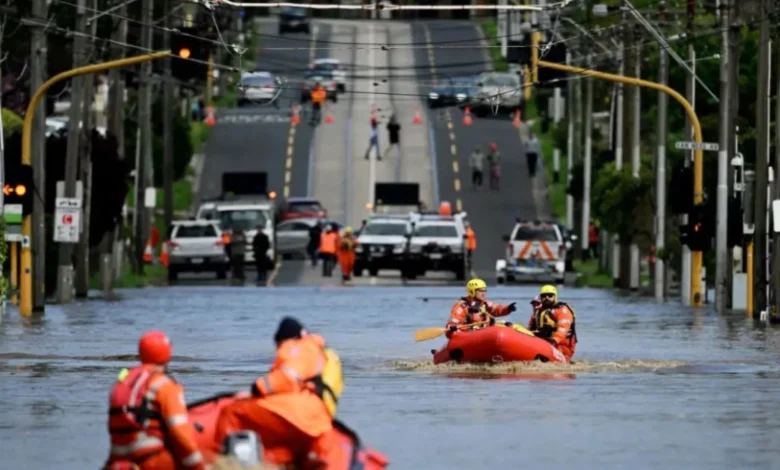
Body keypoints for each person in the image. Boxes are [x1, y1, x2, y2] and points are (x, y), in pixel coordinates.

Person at [212, 317, 344, 468]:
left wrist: (256, 390)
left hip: (296, 413)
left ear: (283, 339)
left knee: (231, 412)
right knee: (283, 448)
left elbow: (286, 378)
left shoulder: (298, 347)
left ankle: (219, 462)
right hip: (318, 421)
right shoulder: (321, 353)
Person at [104, 331, 205, 470]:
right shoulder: (164, 385)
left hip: (117, 463)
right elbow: (181, 433)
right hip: (150, 461)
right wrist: (198, 466)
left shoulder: (122, 382)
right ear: (167, 353)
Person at [446, 278, 517, 338]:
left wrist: (508, 308)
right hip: (469, 335)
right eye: (480, 291)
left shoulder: (484, 303)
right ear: (472, 291)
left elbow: (497, 309)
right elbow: (452, 324)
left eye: (484, 291)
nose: (483, 293)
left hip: (483, 333)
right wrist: (454, 327)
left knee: (507, 325)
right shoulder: (462, 306)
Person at [527, 285, 577, 360]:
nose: (547, 298)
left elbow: (563, 329)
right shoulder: (538, 312)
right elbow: (530, 330)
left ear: (555, 296)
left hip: (561, 346)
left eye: (550, 295)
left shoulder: (562, 310)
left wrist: (553, 341)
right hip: (544, 342)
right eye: (544, 296)